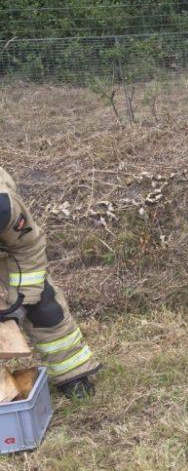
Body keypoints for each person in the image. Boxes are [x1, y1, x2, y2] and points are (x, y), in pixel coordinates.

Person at [0, 166, 100, 398]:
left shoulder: (7, 208)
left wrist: (23, 297)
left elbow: (27, 246)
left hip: (9, 248)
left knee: (44, 307)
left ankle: (73, 374)